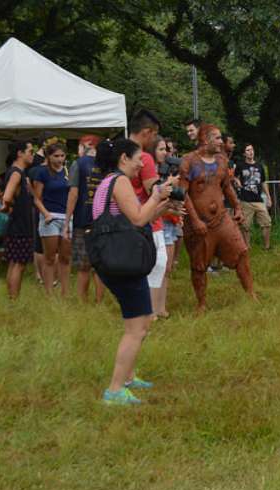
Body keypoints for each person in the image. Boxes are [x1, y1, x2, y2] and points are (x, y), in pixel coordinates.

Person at [92, 138, 177, 405]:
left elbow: (136, 218)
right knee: (137, 327)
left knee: (139, 322)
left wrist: (163, 206)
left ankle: (127, 378)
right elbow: (139, 219)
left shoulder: (109, 182)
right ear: (123, 159)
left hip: (116, 258)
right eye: (139, 158)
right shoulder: (119, 182)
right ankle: (115, 390)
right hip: (124, 261)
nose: (143, 163)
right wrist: (156, 195)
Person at [179, 124, 256, 311]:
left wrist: (237, 207)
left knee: (242, 252)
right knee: (198, 266)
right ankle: (202, 304)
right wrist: (195, 220)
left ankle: (251, 294)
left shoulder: (222, 160)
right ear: (205, 139)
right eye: (218, 138)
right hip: (198, 223)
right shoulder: (188, 161)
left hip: (221, 219)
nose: (222, 142)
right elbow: (183, 193)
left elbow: (226, 186)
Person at [128, 110, 168, 319]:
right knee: (157, 264)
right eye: (154, 135)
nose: (155, 140)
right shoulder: (144, 158)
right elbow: (155, 190)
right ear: (146, 132)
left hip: (126, 220)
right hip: (149, 222)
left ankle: (149, 311)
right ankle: (150, 313)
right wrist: (169, 187)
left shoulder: (118, 153)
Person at [65, 134, 105, 302]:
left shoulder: (78, 164)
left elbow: (73, 193)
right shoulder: (106, 164)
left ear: (86, 145)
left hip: (82, 220)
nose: (78, 150)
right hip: (103, 222)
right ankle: (99, 301)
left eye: (79, 146)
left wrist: (67, 221)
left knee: (83, 267)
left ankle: (82, 302)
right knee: (100, 267)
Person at [32, 143, 72, 296]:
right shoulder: (42, 172)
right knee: (49, 257)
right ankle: (48, 292)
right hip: (50, 218)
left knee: (65, 257)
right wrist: (46, 214)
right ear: (48, 156)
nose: (60, 159)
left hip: (67, 218)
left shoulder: (68, 171)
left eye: (62, 155)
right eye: (56, 156)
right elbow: (36, 198)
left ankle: (65, 292)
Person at [0, 140, 35, 299]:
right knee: (18, 265)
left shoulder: (17, 172)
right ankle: (14, 300)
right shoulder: (16, 173)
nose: (32, 155)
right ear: (20, 153)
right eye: (30, 152)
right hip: (20, 226)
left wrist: (8, 206)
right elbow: (7, 196)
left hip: (16, 225)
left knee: (14, 263)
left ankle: (11, 299)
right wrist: (6, 206)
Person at [152, 136, 180, 318]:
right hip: (155, 222)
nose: (166, 153)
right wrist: (169, 183)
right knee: (155, 267)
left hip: (170, 221)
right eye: (162, 149)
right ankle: (151, 309)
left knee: (167, 267)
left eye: (167, 150)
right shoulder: (147, 171)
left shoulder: (169, 169)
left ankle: (161, 307)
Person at [236, 143, 272, 250]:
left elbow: (263, 182)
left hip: (258, 200)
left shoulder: (260, 166)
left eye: (252, 149)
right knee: (245, 226)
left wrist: (269, 197)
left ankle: (267, 247)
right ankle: (247, 247)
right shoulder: (240, 165)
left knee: (267, 223)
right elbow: (234, 177)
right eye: (248, 150)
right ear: (244, 153)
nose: (251, 152)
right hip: (245, 200)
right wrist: (237, 181)